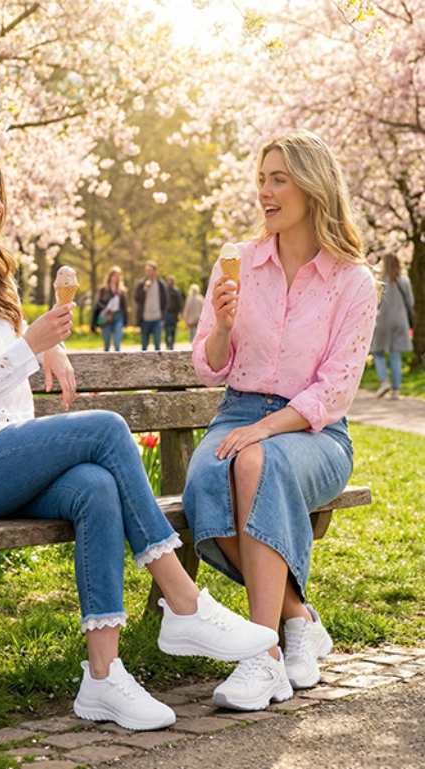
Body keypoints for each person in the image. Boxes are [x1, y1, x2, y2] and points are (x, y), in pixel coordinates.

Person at [0, 147, 278, 732]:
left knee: (94, 486)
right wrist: (31, 346)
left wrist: (46, 343)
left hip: (3, 458)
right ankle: (183, 600)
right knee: (106, 427)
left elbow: (11, 352)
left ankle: (103, 678)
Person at [182, 130, 378, 712]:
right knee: (203, 484)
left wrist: (266, 429)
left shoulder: (352, 281)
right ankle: (298, 620)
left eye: (278, 180)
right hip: (237, 411)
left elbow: (335, 390)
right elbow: (209, 367)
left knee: (254, 463)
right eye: (261, 180)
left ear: (313, 188)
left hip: (315, 432)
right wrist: (221, 327)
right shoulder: (238, 263)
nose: (264, 192)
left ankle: (262, 657)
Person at [370, 253, 414, 400]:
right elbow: (410, 302)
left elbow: (375, 302)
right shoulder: (404, 280)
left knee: (378, 352)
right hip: (400, 321)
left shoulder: (380, 281)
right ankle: (396, 390)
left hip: (383, 321)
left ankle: (384, 382)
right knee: (396, 355)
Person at [91, 265, 128, 351]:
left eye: (118, 276)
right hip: (107, 317)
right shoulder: (103, 290)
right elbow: (98, 304)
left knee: (117, 343)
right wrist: (106, 308)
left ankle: (117, 358)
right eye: (115, 276)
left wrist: (125, 321)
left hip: (118, 316)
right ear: (110, 276)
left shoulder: (121, 291)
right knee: (107, 342)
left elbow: (124, 307)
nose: (116, 278)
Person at [135, 260, 167, 350]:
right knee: (144, 346)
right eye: (146, 271)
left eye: (150, 271)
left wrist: (163, 316)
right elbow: (137, 299)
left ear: (155, 271)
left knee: (157, 344)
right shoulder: (141, 284)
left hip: (157, 318)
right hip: (145, 319)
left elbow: (165, 301)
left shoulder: (160, 284)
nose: (148, 273)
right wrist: (144, 290)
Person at [164, 275, 183, 350]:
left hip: (173, 314)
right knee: (166, 330)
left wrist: (178, 313)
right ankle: (167, 344)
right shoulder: (165, 290)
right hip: (166, 313)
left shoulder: (176, 291)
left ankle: (172, 345)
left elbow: (179, 303)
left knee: (173, 330)